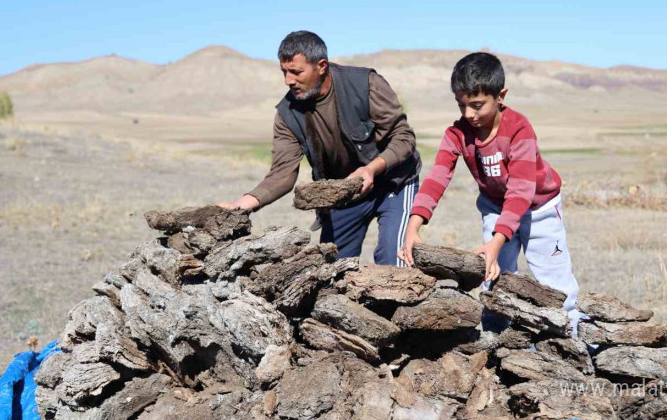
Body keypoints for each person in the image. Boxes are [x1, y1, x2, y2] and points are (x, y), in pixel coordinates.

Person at [398, 52, 582, 329]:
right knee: (493, 278)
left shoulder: (519, 129)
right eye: (461, 105)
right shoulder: (457, 134)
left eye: (476, 105)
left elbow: (521, 192)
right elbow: (437, 178)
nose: (468, 114)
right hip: (496, 208)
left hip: (539, 209)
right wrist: (412, 228)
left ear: (501, 96)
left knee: (555, 285)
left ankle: (573, 341)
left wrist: (497, 243)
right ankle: (496, 345)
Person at [220, 31, 421, 266]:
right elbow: (282, 173)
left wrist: (371, 170)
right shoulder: (287, 113)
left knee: (393, 262)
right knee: (331, 272)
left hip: (394, 182)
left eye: (296, 72)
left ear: (321, 66)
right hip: (345, 192)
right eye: (284, 72)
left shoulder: (365, 84)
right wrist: (240, 206)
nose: (288, 80)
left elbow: (404, 138)